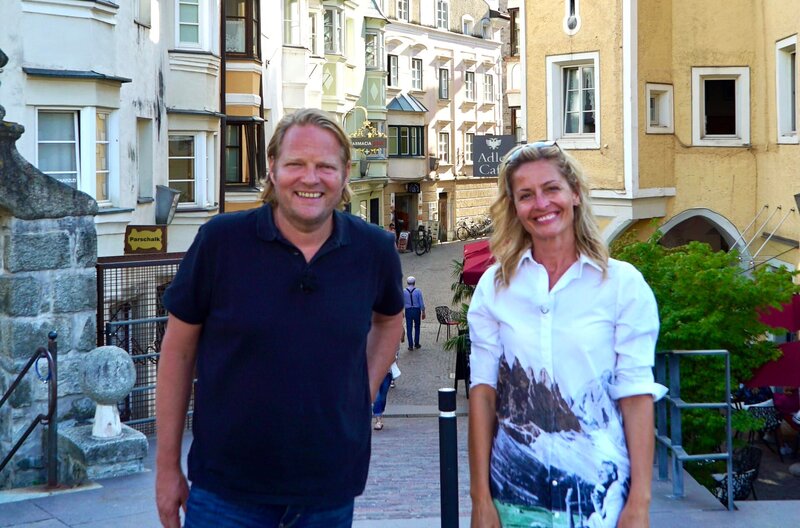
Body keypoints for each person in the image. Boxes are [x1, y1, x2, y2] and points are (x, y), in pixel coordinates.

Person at [154, 108, 404, 528]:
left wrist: (362, 391)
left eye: (325, 166)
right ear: (272, 168)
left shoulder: (374, 249)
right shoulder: (221, 242)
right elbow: (177, 353)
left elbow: (389, 320)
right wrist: (166, 468)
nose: (311, 178)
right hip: (226, 492)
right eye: (296, 164)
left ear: (345, 173)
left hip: (328, 490)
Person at [467, 141, 666, 528]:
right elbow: (483, 393)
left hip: (601, 502)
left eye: (551, 188)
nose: (541, 204)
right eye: (526, 195)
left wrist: (639, 503)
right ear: (514, 207)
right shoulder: (495, 287)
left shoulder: (622, 285)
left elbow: (636, 395)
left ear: (574, 193)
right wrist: (480, 500)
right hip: (512, 500)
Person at [403, 276, 425, 350]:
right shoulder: (418, 291)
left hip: (408, 310)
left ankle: (410, 345)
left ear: (407, 282)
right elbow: (421, 302)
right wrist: (423, 311)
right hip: (416, 310)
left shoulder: (404, 291)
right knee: (417, 327)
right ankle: (417, 343)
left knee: (409, 328)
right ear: (414, 282)